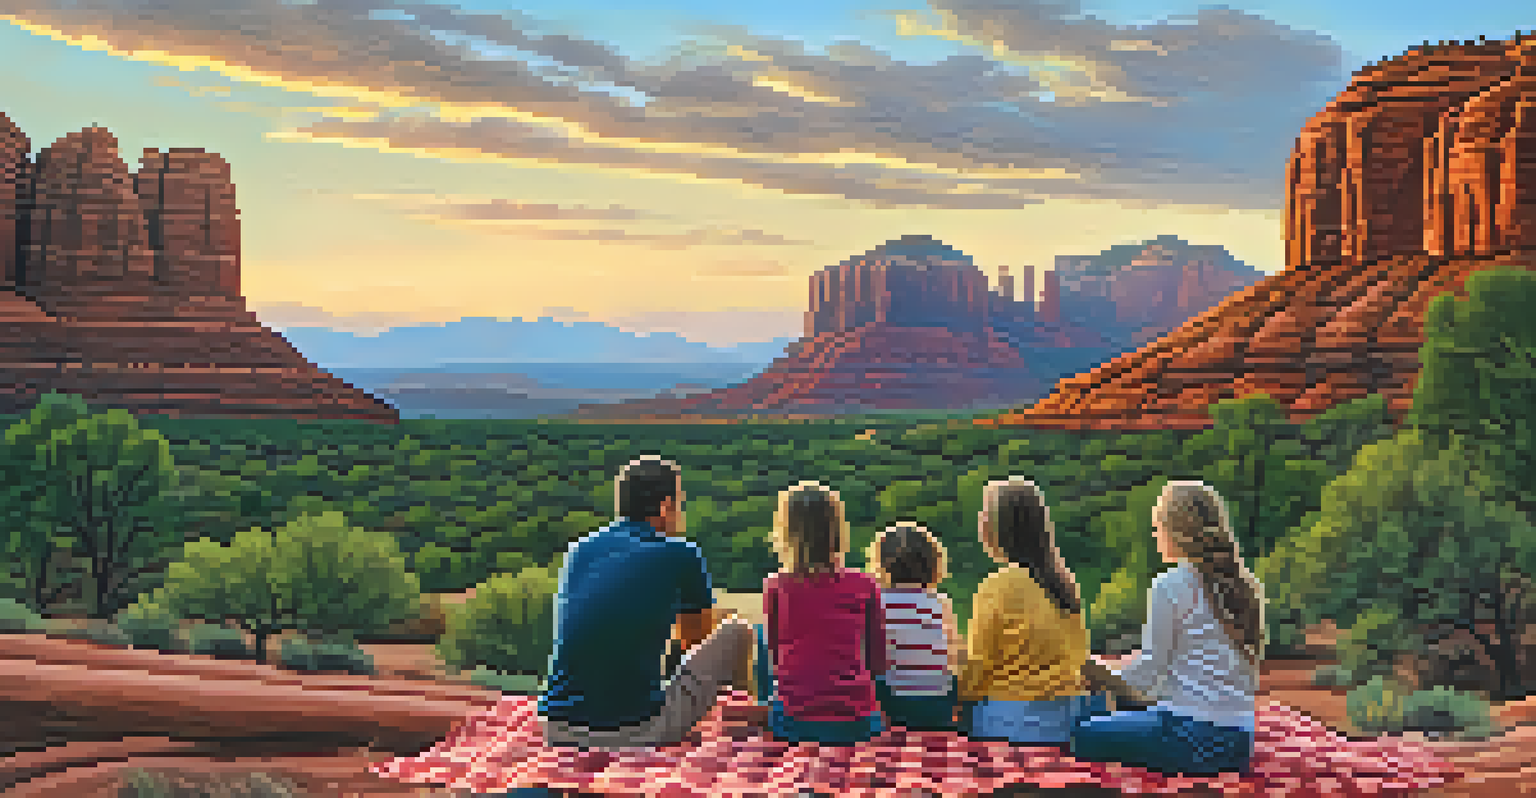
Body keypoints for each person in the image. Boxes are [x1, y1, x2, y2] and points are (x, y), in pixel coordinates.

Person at [539, 455, 756, 749]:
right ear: (665, 506)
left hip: (557, 727)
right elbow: (695, 640)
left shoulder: (580, 550)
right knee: (737, 632)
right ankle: (743, 721)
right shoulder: (681, 553)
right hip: (634, 730)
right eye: (679, 504)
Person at [1070, 480, 1265, 775]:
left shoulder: (1170, 584)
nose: (1155, 534)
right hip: (1238, 743)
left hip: (1187, 736)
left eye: (1157, 526)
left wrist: (1099, 672)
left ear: (1175, 531)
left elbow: (1149, 673)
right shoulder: (1245, 585)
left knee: (1082, 733)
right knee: (1119, 709)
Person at [957, 477, 1137, 747]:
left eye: (985, 516)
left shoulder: (999, 585)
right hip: (1069, 715)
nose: (981, 524)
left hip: (1016, 719)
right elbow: (1078, 656)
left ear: (998, 529)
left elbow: (981, 661)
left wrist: (957, 702)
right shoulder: (1063, 582)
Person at [758, 480, 888, 745]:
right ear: (837, 532)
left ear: (786, 533)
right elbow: (877, 659)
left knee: (761, 636)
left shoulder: (776, 585)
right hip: (857, 721)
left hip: (794, 721)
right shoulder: (864, 584)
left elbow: (772, 655)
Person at [865, 521, 963, 732]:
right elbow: (953, 654)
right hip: (938, 704)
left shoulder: (876, 602)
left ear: (880, 565)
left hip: (892, 702)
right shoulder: (941, 602)